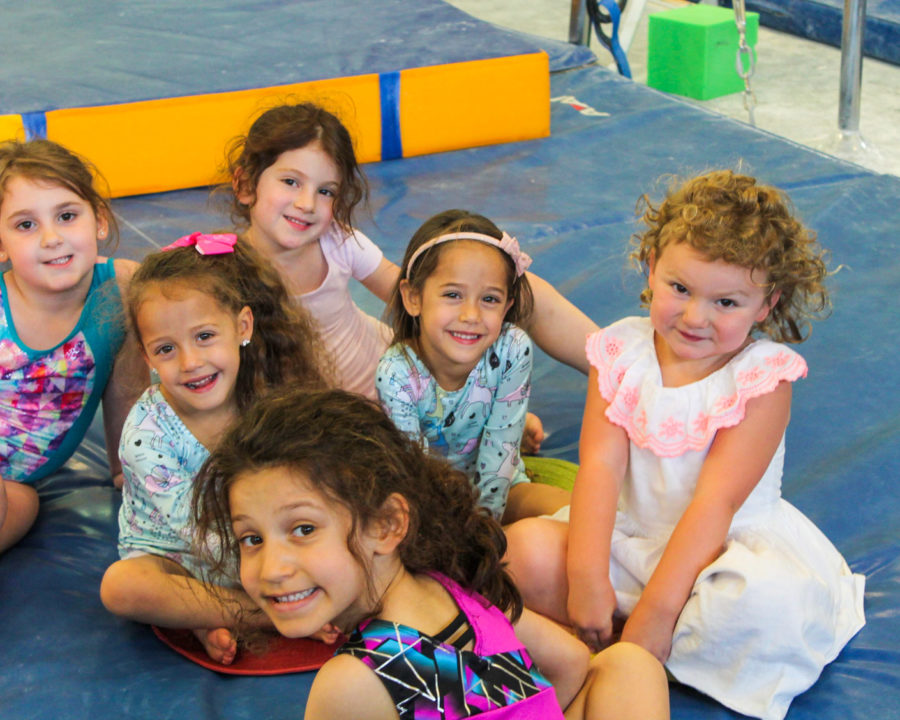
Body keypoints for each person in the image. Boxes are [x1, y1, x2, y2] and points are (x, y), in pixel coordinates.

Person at [504, 170, 866, 720]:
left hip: (719, 552)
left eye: (726, 302)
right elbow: (598, 467)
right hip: (630, 539)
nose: (696, 317)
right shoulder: (621, 352)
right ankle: (619, 626)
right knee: (519, 556)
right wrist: (587, 578)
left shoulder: (761, 380)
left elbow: (714, 505)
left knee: (766, 604)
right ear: (652, 266)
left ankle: (645, 636)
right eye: (679, 289)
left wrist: (657, 611)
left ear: (766, 304)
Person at [192, 386, 670, 720]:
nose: (271, 568)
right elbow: (570, 660)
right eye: (251, 539)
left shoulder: (353, 682)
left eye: (303, 529)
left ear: (387, 524)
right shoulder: (455, 587)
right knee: (627, 663)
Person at [225, 102, 598, 405]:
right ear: (245, 184)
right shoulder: (226, 275)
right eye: (291, 182)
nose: (307, 203)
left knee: (500, 283)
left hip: (401, 381)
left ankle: (616, 366)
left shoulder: (337, 242)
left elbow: (407, 290)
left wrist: (465, 305)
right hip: (333, 421)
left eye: (326, 191)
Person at [99, 234, 328, 663]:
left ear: (242, 327)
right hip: (177, 556)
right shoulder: (145, 433)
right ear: (147, 357)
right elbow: (201, 534)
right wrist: (281, 586)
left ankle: (205, 614)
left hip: (258, 544)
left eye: (205, 336)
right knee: (123, 585)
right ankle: (256, 613)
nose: (190, 362)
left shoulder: (265, 394)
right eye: (166, 349)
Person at [0, 139, 146, 552]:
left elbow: (128, 384)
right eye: (25, 225)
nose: (51, 238)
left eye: (66, 216)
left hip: (16, 486)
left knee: (23, 507)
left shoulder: (119, 289)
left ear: (99, 220)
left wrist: (125, 470)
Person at [377, 210, 570, 523]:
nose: (471, 315)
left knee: (581, 516)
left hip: (501, 488)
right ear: (413, 297)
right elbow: (414, 476)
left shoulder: (511, 348)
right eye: (453, 295)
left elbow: (500, 453)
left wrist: (486, 529)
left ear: (507, 305)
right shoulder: (397, 373)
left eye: (490, 299)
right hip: (428, 500)